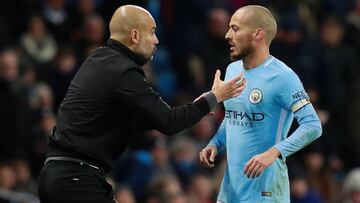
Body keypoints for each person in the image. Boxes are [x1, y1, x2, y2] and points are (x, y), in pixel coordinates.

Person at [37, 5, 246, 203]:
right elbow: (168, 122)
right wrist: (213, 98)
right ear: (135, 36)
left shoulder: (99, 59)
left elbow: (138, 119)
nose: (156, 40)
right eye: (152, 32)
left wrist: (198, 107)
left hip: (57, 175)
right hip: (77, 179)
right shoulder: (124, 70)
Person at [199, 5, 322, 203]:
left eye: (236, 28)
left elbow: (313, 126)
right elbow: (233, 115)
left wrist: (274, 152)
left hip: (266, 193)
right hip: (230, 192)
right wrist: (216, 142)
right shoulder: (232, 70)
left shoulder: (283, 77)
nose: (227, 35)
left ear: (258, 33)